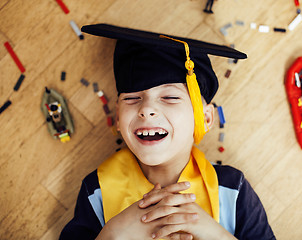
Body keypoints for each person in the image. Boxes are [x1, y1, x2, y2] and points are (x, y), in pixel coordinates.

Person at [59, 24, 276, 240]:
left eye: (170, 97)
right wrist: (114, 233)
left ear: (205, 118)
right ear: (117, 118)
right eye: (132, 98)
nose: (146, 110)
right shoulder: (97, 189)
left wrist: (214, 233)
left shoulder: (231, 189)